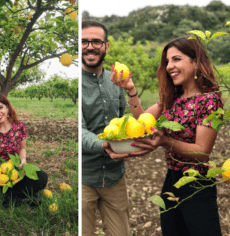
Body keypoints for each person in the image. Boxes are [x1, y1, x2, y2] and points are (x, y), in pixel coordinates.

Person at [111, 37, 223, 236]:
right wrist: (131, 90)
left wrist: (165, 141)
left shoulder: (209, 101)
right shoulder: (171, 99)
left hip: (197, 183)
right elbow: (142, 122)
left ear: (196, 62)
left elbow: (202, 152)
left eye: (177, 59)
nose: (170, 66)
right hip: (171, 181)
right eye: (167, 62)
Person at [82, 20, 151, 236]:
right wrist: (106, 145)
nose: (90, 46)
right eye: (83, 41)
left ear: (106, 46)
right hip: (85, 177)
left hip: (114, 178)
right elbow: (80, 130)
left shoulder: (116, 81)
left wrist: (131, 90)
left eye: (96, 41)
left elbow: (131, 122)